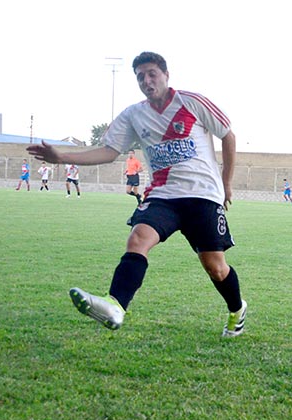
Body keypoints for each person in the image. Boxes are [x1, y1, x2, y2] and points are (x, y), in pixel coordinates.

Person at [26, 51, 247, 338]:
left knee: (215, 268)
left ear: (166, 75)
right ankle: (115, 305)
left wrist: (225, 182)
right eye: (140, 76)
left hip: (202, 195)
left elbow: (227, 134)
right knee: (138, 238)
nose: (146, 80)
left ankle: (237, 309)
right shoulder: (133, 114)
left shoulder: (191, 102)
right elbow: (108, 151)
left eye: (152, 73)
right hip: (162, 196)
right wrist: (61, 157)